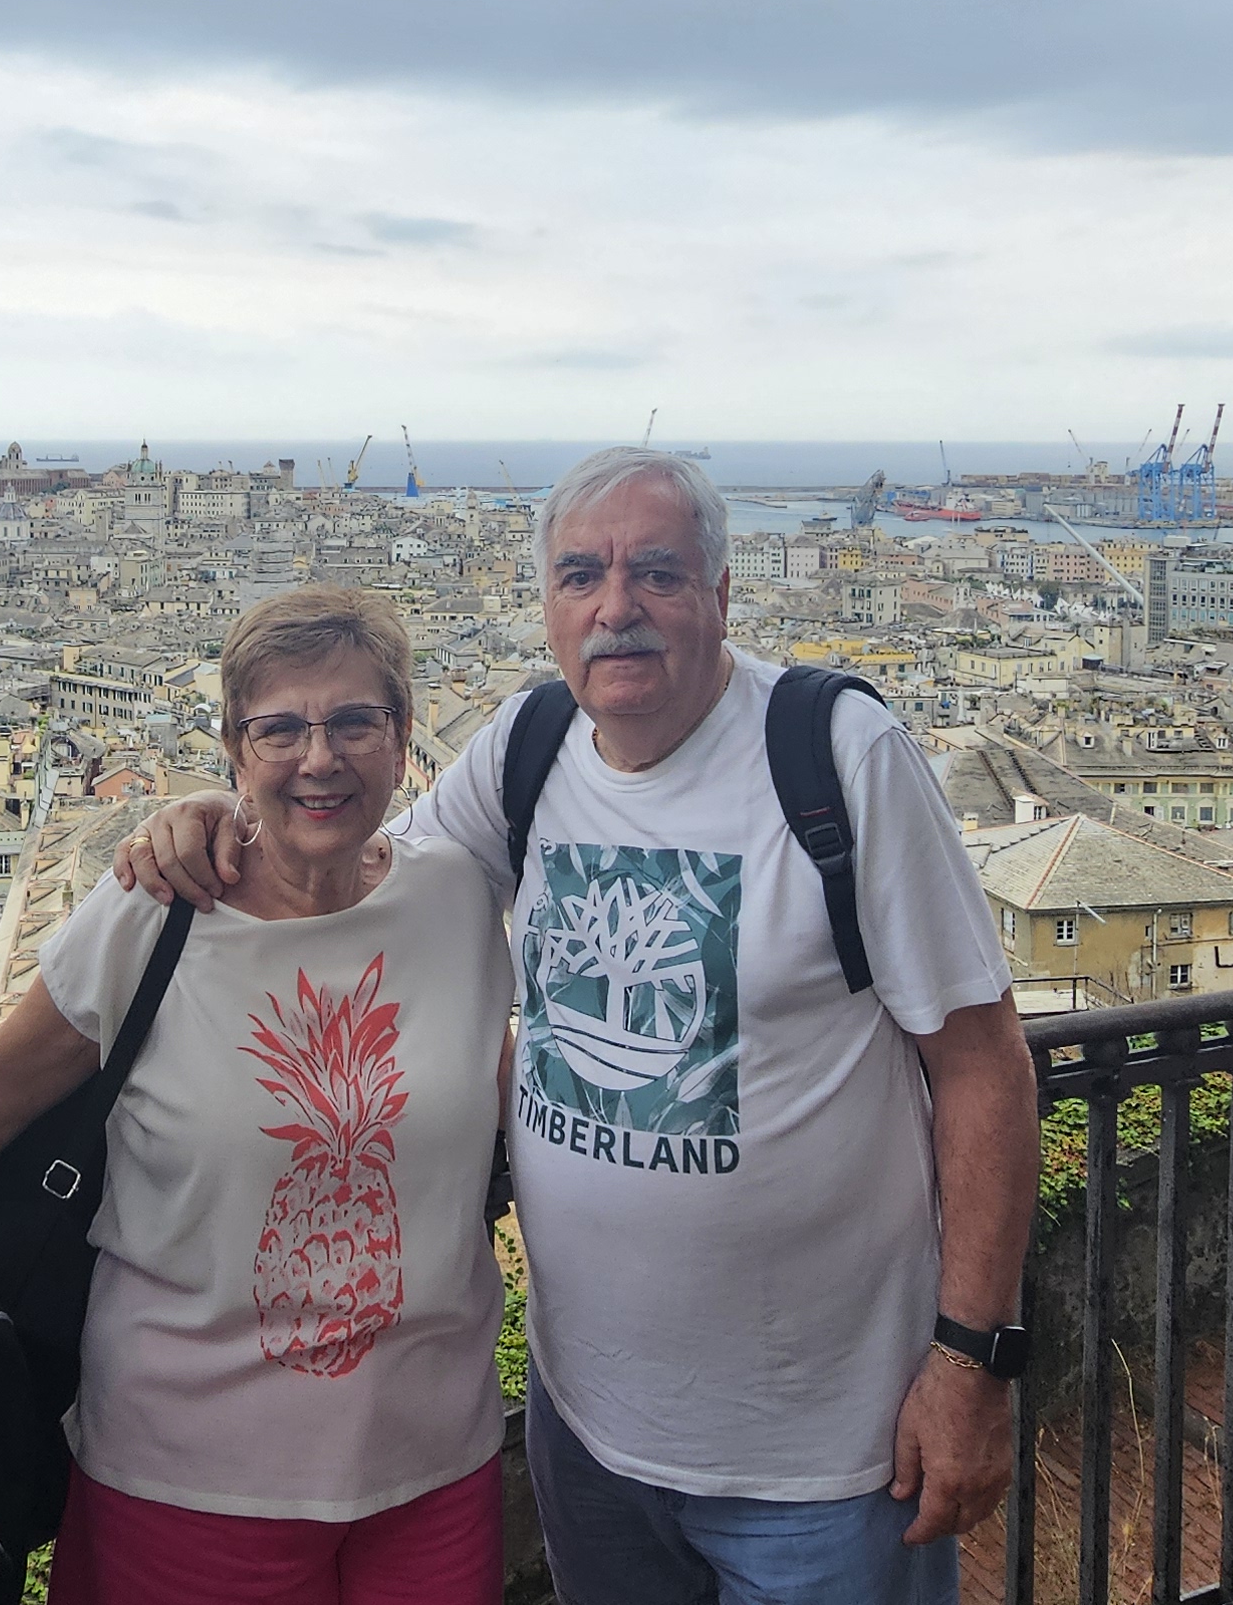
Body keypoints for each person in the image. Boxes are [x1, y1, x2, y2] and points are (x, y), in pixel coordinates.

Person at [122, 447, 1036, 1605]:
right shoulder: (529, 744)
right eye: (580, 575)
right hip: (588, 1428)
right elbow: (365, 870)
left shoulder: (837, 754)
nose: (615, 606)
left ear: (719, 591)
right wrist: (222, 812)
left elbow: (983, 1066)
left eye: (656, 571)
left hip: (822, 1452)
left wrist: (973, 1359)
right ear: (548, 607)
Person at [0, 586, 513, 1605]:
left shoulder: (458, 898)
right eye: (279, 728)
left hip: (435, 1467)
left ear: (404, 736)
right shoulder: (151, 915)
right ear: (235, 750)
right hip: (181, 1481)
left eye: (354, 722)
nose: (319, 757)